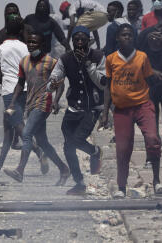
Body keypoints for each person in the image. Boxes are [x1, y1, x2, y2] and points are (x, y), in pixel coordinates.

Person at [101, 24, 162, 198]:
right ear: (117, 38)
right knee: (123, 148)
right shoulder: (111, 59)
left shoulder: (142, 57)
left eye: (130, 35)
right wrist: (104, 111)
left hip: (142, 104)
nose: (127, 38)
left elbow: (150, 80)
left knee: (153, 139)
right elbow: (108, 87)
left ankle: (156, 180)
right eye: (124, 35)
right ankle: (121, 187)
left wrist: (159, 102)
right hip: (122, 109)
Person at [4, 33, 71, 186]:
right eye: (29, 42)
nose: (31, 44)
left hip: (44, 102)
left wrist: (56, 100)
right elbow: (20, 83)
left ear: (41, 44)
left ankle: (19, 171)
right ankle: (64, 169)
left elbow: (60, 83)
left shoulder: (51, 62)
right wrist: (12, 103)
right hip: (31, 104)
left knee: (26, 134)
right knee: (43, 142)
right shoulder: (24, 61)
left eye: (35, 42)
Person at [49, 26, 105, 195]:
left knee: (77, 139)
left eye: (83, 39)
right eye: (76, 40)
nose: (79, 43)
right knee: (68, 146)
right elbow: (56, 76)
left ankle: (95, 152)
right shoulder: (66, 58)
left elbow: (103, 82)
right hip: (74, 106)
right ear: (72, 41)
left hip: (92, 107)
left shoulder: (98, 56)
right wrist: (52, 84)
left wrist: (89, 66)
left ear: (89, 40)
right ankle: (79, 182)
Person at [0, 17, 47, 176]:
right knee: (9, 127)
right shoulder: (25, 48)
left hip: (10, 92)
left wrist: (0, 76)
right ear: (21, 31)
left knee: (16, 125)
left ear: (6, 31)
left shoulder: (0, 49)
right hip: (25, 89)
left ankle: (38, 151)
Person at [137, 22, 162, 168]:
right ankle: (151, 157)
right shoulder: (144, 43)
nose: (157, 37)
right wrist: (153, 71)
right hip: (150, 85)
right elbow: (139, 60)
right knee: (151, 122)